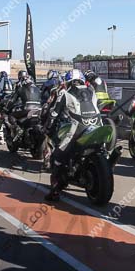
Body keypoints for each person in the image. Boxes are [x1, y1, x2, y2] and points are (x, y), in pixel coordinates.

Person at [44, 69, 99, 201]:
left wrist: (47, 127)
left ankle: (55, 191)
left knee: (57, 156)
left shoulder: (65, 93)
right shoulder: (92, 90)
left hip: (78, 129)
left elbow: (54, 113)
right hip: (97, 126)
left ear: (68, 82)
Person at [7, 74, 43, 143]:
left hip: (27, 109)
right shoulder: (38, 89)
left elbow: (12, 100)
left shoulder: (21, 88)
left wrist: (6, 108)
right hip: (39, 109)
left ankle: (18, 129)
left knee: (11, 116)